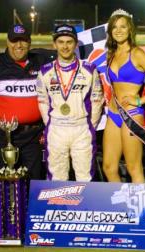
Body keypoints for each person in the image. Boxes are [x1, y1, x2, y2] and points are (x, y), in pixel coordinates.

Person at [0, 24, 55, 248]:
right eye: (15, 41)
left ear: (29, 42)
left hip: (32, 135)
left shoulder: (41, 62)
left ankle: (31, 228)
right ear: (8, 42)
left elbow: (66, 56)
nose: (19, 45)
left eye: (23, 41)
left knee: (35, 180)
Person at [102, 9, 145, 183]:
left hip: (131, 114)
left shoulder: (137, 53)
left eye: (123, 27)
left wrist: (140, 100)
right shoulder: (111, 54)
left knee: (134, 167)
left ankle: (139, 210)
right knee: (109, 167)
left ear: (130, 29)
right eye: (114, 27)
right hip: (113, 114)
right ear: (110, 31)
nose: (118, 30)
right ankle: (119, 208)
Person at [36, 24, 104, 181]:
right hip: (56, 130)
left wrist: (89, 126)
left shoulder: (89, 69)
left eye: (69, 42)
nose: (65, 46)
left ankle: (86, 205)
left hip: (81, 129)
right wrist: (51, 124)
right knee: (57, 178)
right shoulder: (45, 71)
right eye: (61, 42)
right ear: (54, 44)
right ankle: (58, 206)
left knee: (85, 177)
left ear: (75, 44)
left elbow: (97, 100)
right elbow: (42, 101)